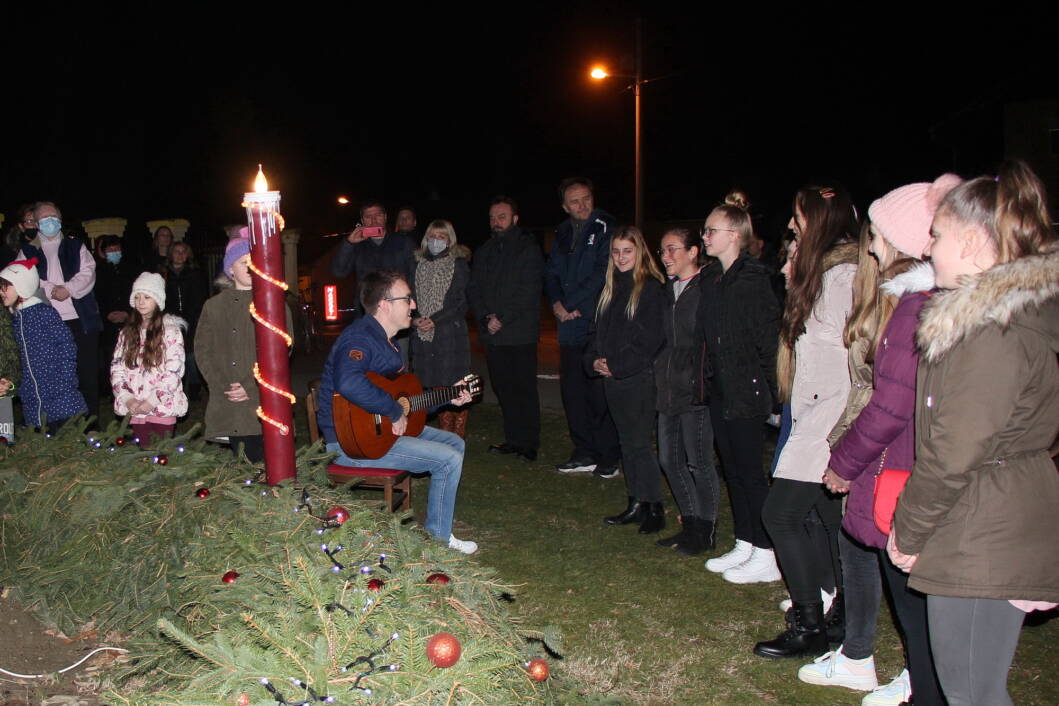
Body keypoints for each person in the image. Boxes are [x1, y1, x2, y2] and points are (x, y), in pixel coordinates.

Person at [888, 161, 1058, 706]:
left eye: (936, 236)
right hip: (981, 519)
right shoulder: (988, 321)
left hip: (985, 529)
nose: (928, 249)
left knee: (972, 693)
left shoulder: (993, 331)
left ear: (974, 241)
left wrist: (908, 532)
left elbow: (956, 448)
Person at [802, 176, 960, 706]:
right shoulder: (915, 302)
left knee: (912, 598)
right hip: (905, 468)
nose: (870, 244)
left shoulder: (913, 310)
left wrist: (844, 461)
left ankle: (922, 686)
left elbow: (891, 403)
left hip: (900, 471)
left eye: (878, 235)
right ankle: (913, 677)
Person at [754, 185, 859, 659]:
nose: (792, 225)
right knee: (827, 520)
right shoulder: (822, 273)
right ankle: (838, 616)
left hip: (828, 421)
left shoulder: (844, 279)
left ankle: (810, 624)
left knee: (781, 513)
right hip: (812, 414)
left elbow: (853, 367)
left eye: (800, 218)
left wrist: (836, 435)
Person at [316, 269, 478, 554]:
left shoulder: (385, 342)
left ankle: (440, 517)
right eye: (408, 299)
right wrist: (392, 410)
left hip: (376, 433)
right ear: (385, 304)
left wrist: (449, 397)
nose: (413, 305)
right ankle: (438, 542)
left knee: (454, 442)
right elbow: (349, 381)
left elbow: (409, 400)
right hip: (349, 444)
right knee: (448, 459)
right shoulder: (360, 338)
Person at [697, 203, 782, 583]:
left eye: (711, 230)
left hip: (746, 391)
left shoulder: (752, 280)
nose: (704, 237)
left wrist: (775, 395)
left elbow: (767, 343)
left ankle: (766, 552)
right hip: (722, 390)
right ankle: (746, 542)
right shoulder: (714, 278)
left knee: (750, 473)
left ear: (734, 235)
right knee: (732, 469)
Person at [587, 226, 667, 532]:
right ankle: (637, 501)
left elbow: (649, 340)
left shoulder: (650, 288)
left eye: (627, 251)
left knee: (639, 444)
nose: (621, 258)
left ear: (640, 252)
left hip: (638, 379)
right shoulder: (609, 288)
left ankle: (654, 506)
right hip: (613, 379)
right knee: (627, 443)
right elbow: (595, 334)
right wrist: (594, 361)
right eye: (616, 251)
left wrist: (617, 366)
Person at [544, 177, 620, 477]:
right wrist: (556, 304)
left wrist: (572, 303)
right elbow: (551, 272)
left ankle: (608, 455)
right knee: (573, 392)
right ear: (565, 206)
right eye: (575, 201)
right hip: (568, 325)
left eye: (586, 198)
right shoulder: (561, 233)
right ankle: (584, 450)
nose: (582, 205)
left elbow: (603, 272)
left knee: (599, 392)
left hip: (595, 320)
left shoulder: (606, 228)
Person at [652, 227, 718, 555]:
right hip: (667, 388)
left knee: (699, 462)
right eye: (662, 250)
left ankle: (705, 530)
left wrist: (701, 379)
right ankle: (690, 523)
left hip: (695, 390)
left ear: (693, 252)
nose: (665, 257)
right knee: (670, 459)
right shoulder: (668, 290)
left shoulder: (707, 289)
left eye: (673, 249)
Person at [195, 237, 290, 462]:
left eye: (254, 261)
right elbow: (202, 349)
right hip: (229, 395)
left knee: (268, 456)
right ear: (230, 269)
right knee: (242, 458)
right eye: (242, 262)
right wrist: (222, 385)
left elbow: (281, 349)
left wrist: (251, 384)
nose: (249, 267)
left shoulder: (274, 303)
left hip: (261, 395)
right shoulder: (213, 306)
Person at [469, 196, 543, 462]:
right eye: (492, 217)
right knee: (503, 388)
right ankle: (513, 439)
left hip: (519, 333)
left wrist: (502, 317)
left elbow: (528, 290)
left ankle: (529, 443)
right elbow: (474, 288)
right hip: (493, 334)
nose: (496, 222)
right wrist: (486, 316)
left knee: (523, 388)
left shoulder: (527, 248)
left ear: (515, 218)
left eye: (501, 216)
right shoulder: (485, 250)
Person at [19, 201, 103, 424]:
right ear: (36, 223)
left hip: (80, 320)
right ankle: (59, 425)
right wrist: (49, 289)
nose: (50, 222)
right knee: (53, 377)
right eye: (45, 218)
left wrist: (69, 289)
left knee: (86, 374)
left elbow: (88, 272)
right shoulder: (27, 251)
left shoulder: (76, 246)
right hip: (46, 324)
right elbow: (23, 279)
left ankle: (91, 425)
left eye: (54, 217)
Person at [0, 257, 86, 430]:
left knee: (67, 440)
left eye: (6, 287)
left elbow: (66, 345)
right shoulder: (15, 319)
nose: (1, 292)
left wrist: (65, 380)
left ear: (23, 286)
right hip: (32, 398)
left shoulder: (43, 313)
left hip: (60, 394)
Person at [110, 272, 188, 447]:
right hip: (136, 407)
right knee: (143, 452)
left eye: (147, 297)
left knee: (161, 452)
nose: (141, 301)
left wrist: (152, 401)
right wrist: (127, 398)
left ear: (158, 300)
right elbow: (117, 368)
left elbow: (173, 371)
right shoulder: (127, 333)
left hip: (162, 406)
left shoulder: (171, 332)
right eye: (137, 297)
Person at [409, 219, 471, 438]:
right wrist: (414, 318)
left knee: (455, 385)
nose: (436, 241)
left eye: (441, 236)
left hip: (449, 335)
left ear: (450, 239)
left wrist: (434, 319)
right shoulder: (417, 264)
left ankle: (458, 435)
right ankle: (445, 434)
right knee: (434, 387)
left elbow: (460, 302)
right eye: (432, 236)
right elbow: (409, 298)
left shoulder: (459, 264)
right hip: (424, 337)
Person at [330, 201, 416, 291]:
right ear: (362, 221)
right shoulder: (357, 245)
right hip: (366, 303)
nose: (374, 220)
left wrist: (410, 301)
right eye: (368, 217)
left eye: (378, 215)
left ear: (385, 217)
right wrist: (349, 243)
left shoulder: (404, 242)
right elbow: (338, 272)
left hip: (397, 301)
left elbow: (415, 275)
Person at [163, 241, 209, 400]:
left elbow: (202, 297)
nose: (180, 254)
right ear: (171, 254)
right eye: (177, 251)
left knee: (191, 355)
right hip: (171, 321)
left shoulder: (195, 273)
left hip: (193, 320)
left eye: (184, 251)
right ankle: (177, 388)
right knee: (174, 355)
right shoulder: (164, 274)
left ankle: (195, 389)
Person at [93, 234, 138, 394]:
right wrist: (107, 314)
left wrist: (127, 313)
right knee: (110, 358)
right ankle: (113, 391)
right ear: (104, 252)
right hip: (108, 323)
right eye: (110, 249)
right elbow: (97, 297)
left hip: (129, 320)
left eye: (117, 249)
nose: (114, 251)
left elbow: (136, 293)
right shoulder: (97, 271)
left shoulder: (131, 269)